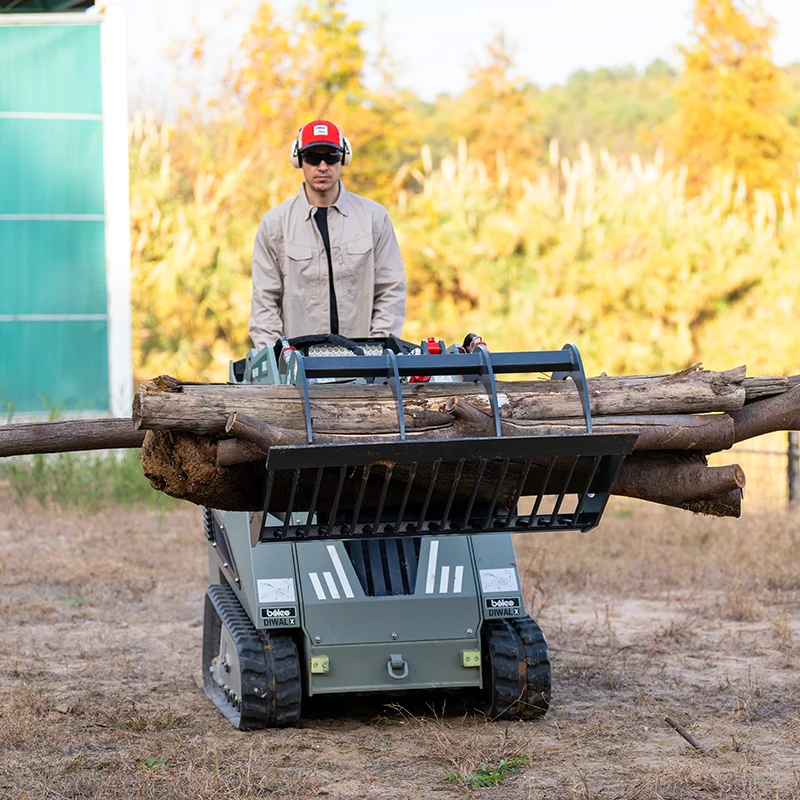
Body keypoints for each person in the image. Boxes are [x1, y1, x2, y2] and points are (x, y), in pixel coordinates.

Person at [248, 119, 406, 351]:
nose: (322, 166)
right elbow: (265, 302)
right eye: (312, 157)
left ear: (344, 158)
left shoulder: (374, 218)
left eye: (331, 156)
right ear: (299, 160)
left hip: (365, 367)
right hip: (298, 368)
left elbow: (390, 289)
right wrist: (278, 359)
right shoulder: (274, 225)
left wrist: (377, 351)